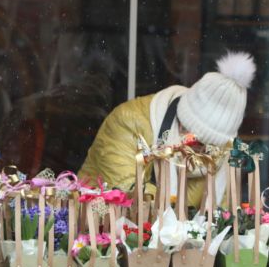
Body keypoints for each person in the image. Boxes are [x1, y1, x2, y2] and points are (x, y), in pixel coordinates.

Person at [79, 52, 255, 207]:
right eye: (195, 137)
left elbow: (221, 215)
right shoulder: (128, 122)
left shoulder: (223, 150)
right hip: (96, 232)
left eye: (211, 145)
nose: (200, 149)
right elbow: (130, 199)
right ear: (182, 119)